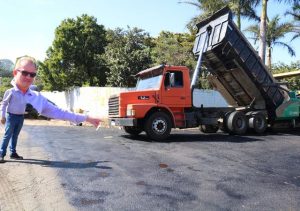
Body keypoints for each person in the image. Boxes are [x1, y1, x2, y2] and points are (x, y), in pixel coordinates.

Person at [0, 56, 101, 163]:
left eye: (32, 74)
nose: (29, 77)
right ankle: (1, 153)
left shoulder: (36, 97)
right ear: (15, 73)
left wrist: (86, 118)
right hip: (11, 116)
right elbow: (4, 104)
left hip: (20, 117)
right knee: (7, 135)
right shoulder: (10, 92)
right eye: (24, 73)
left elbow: (59, 112)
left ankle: (13, 153)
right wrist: (2, 115)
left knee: (15, 135)